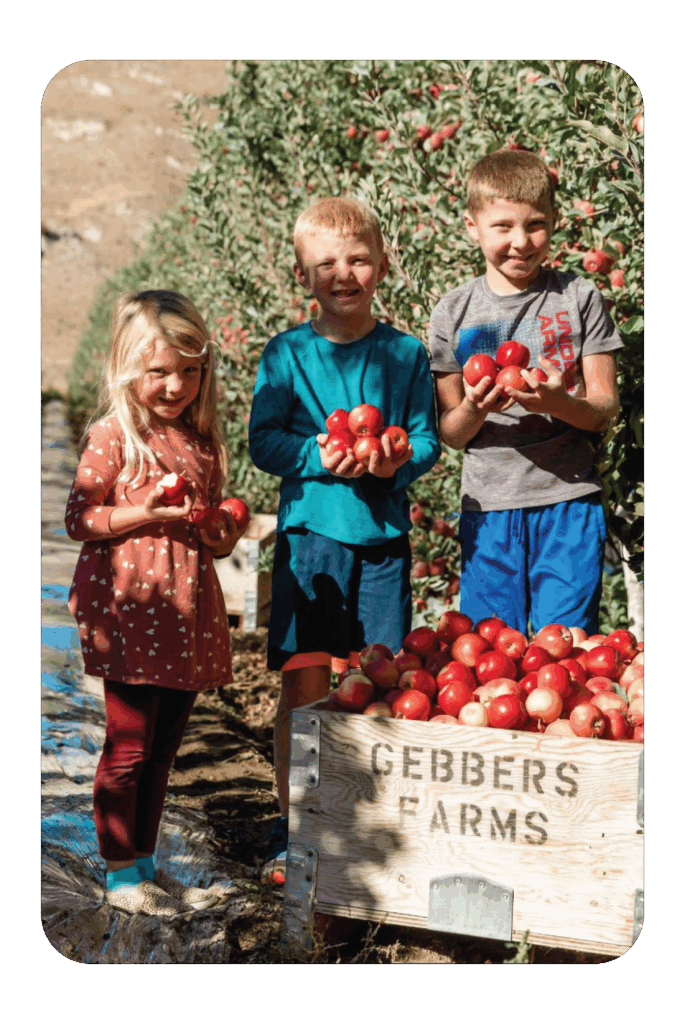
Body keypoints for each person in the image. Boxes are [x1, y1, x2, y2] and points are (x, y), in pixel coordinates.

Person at [249, 196, 442, 882]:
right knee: (303, 684)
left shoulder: (405, 354)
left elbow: (425, 440)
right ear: (304, 276)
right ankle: (294, 821)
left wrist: (395, 461)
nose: (344, 273)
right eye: (326, 263)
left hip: (382, 542)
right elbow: (263, 442)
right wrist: (314, 458)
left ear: (383, 264)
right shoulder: (286, 354)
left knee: (377, 683)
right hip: (309, 543)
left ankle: (364, 827)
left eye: (358, 258)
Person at [65, 290, 248, 916]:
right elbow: (79, 518)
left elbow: (207, 535)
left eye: (190, 371)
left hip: (184, 613)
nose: (176, 385)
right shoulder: (115, 435)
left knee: (165, 746)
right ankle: (120, 874)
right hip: (129, 610)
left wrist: (220, 533)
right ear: (128, 368)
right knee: (129, 744)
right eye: (161, 371)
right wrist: (141, 510)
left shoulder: (201, 443)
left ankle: (143, 865)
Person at [429, 149, 622, 639]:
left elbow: (604, 410)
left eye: (536, 224)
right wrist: (474, 406)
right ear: (472, 226)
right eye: (503, 227)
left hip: (569, 499)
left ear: (555, 221)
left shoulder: (580, 298)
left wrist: (560, 404)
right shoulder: (451, 312)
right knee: (492, 649)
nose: (521, 242)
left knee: (568, 646)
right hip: (488, 506)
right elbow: (450, 432)